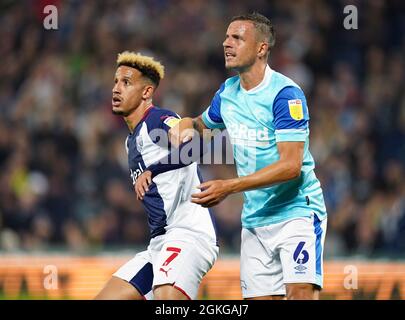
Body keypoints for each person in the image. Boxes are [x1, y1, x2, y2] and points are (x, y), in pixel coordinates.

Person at [155, 12, 328, 300]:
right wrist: (186, 123)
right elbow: (202, 123)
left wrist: (230, 186)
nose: (226, 43)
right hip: (255, 221)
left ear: (261, 48)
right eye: (226, 37)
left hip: (296, 213)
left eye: (237, 38)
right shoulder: (227, 93)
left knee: (300, 295)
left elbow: (291, 166)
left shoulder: (285, 95)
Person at [95, 51, 218, 300]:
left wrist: (154, 169)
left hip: (188, 234)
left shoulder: (158, 120)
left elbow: (196, 146)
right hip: (158, 244)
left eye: (126, 82)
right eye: (115, 82)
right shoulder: (130, 143)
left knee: (167, 300)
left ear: (147, 92)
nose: (116, 89)